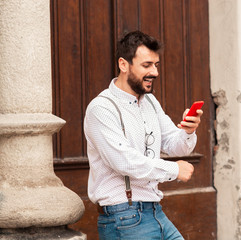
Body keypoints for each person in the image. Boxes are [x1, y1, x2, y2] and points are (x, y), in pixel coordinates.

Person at [83, 30, 203, 240]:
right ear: (123, 65)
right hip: (124, 217)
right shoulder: (101, 108)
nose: (155, 72)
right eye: (146, 65)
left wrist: (188, 131)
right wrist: (174, 169)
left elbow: (175, 145)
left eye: (156, 65)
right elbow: (124, 161)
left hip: (154, 211)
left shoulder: (149, 102)